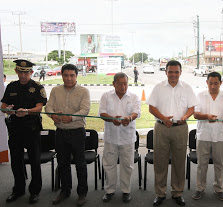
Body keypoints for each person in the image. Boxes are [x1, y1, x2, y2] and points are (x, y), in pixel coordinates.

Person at [146, 60, 198, 206]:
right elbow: (151, 107)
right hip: (162, 128)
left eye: (176, 72)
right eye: (170, 72)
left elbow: (191, 108)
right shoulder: (159, 87)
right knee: (160, 161)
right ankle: (160, 193)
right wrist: (163, 118)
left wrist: (185, 117)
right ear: (166, 72)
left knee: (179, 161)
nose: (173, 75)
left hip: (180, 128)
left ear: (180, 72)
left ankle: (177, 192)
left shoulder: (187, 88)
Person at [1, 59, 47, 204]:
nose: (23, 75)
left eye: (26, 72)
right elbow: (3, 105)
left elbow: (39, 108)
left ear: (31, 72)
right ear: (16, 71)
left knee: (34, 161)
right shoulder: (11, 86)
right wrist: (8, 110)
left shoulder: (37, 87)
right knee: (16, 160)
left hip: (31, 129)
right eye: (20, 72)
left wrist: (27, 111)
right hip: (15, 129)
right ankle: (18, 189)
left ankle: (35, 191)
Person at [45, 64, 90, 206]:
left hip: (77, 132)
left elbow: (85, 109)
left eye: (72, 75)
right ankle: (65, 191)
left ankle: (82, 193)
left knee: (80, 164)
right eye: (66, 75)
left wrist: (71, 117)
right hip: (60, 133)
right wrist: (52, 115)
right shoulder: (55, 90)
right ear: (62, 75)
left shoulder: (84, 91)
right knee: (63, 163)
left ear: (76, 76)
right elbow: (48, 107)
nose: (69, 78)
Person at [192, 72, 223, 201]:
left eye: (216, 83)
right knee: (202, 164)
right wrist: (206, 117)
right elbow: (195, 114)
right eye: (210, 83)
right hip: (203, 134)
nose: (213, 86)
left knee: (219, 163)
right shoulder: (200, 95)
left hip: (220, 134)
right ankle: (200, 188)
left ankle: (219, 188)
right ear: (207, 83)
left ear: (220, 83)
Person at [99, 72, 141, 203]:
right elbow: (101, 113)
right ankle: (109, 191)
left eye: (125, 83)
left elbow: (137, 112)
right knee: (109, 165)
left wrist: (129, 117)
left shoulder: (133, 96)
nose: (123, 86)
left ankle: (126, 191)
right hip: (111, 137)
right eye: (120, 84)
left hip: (127, 137)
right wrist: (112, 119)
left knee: (127, 166)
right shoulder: (106, 96)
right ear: (114, 84)